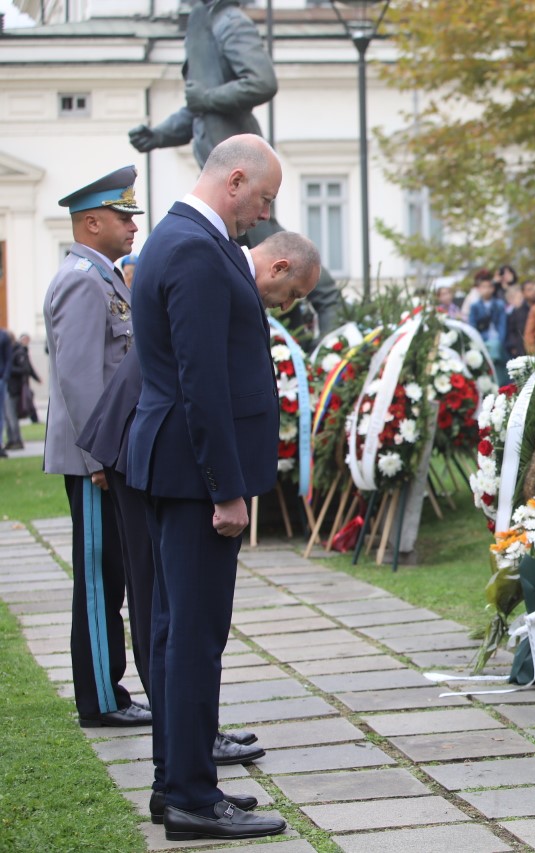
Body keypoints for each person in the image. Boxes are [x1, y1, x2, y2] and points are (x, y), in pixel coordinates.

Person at [76, 232, 321, 812]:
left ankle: (184, 757)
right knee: (170, 618)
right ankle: (184, 777)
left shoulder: (205, 258)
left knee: (173, 619)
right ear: (280, 264)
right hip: (152, 454)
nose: (282, 307)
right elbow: (196, 378)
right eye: (287, 295)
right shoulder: (202, 258)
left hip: (160, 452)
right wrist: (225, 487)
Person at [127, 134, 288, 842]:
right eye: (263, 198)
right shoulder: (194, 245)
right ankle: (192, 794)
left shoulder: (186, 235)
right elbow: (202, 380)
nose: (265, 213)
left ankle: (177, 779)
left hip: (179, 467)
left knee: (176, 631)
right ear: (235, 180)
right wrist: (227, 487)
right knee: (192, 635)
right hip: (195, 476)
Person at [128, 0, 341, 334]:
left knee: (271, 242)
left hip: (244, 179)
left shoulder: (230, 22)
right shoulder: (203, 24)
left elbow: (261, 81)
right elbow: (197, 110)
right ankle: (312, 316)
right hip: (225, 183)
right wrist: (157, 135)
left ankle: (328, 304)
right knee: (265, 252)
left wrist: (208, 99)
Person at [43, 166, 152, 730]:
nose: (133, 225)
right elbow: (80, 380)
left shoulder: (103, 277)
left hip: (105, 456)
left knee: (111, 574)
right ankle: (102, 699)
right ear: (92, 222)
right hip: (95, 461)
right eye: (123, 216)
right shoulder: (84, 281)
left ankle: (110, 689)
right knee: (98, 578)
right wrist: (98, 460)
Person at [468, 274, 508, 383]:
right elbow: (472, 327)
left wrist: (500, 341)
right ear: (479, 289)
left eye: (488, 286)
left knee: (496, 353)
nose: (486, 290)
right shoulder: (474, 306)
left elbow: (502, 325)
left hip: (497, 340)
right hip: (482, 341)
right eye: (483, 287)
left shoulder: (499, 304)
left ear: (493, 288)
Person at [7, 333, 40, 441]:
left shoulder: (19, 352)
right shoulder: (14, 352)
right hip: (13, 387)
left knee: (12, 415)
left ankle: (16, 440)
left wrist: (8, 370)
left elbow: (26, 368)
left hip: (16, 388)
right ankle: (12, 440)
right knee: (9, 415)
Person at [504, 279, 533, 360]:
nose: (519, 300)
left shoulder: (528, 309)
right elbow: (510, 331)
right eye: (516, 298)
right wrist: (512, 346)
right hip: (518, 345)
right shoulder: (510, 314)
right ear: (510, 300)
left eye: (520, 297)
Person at [0, 328, 13, 455]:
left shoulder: (3, 336)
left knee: (0, 414)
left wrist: (5, 377)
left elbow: (9, 358)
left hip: (1, 379)